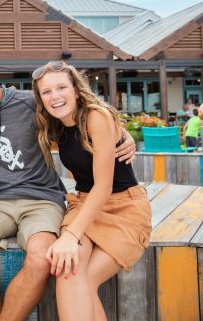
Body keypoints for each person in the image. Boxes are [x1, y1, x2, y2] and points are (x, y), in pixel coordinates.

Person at [0, 42, 137, 321]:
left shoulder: (32, 102)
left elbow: (78, 111)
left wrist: (122, 134)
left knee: (42, 255)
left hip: (42, 198)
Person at [32, 60, 151, 320]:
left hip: (123, 208)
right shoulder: (55, 123)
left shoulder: (96, 116)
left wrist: (69, 236)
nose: (55, 96)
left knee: (85, 277)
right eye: (47, 92)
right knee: (68, 269)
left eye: (61, 87)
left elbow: (104, 186)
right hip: (84, 205)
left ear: (76, 90)